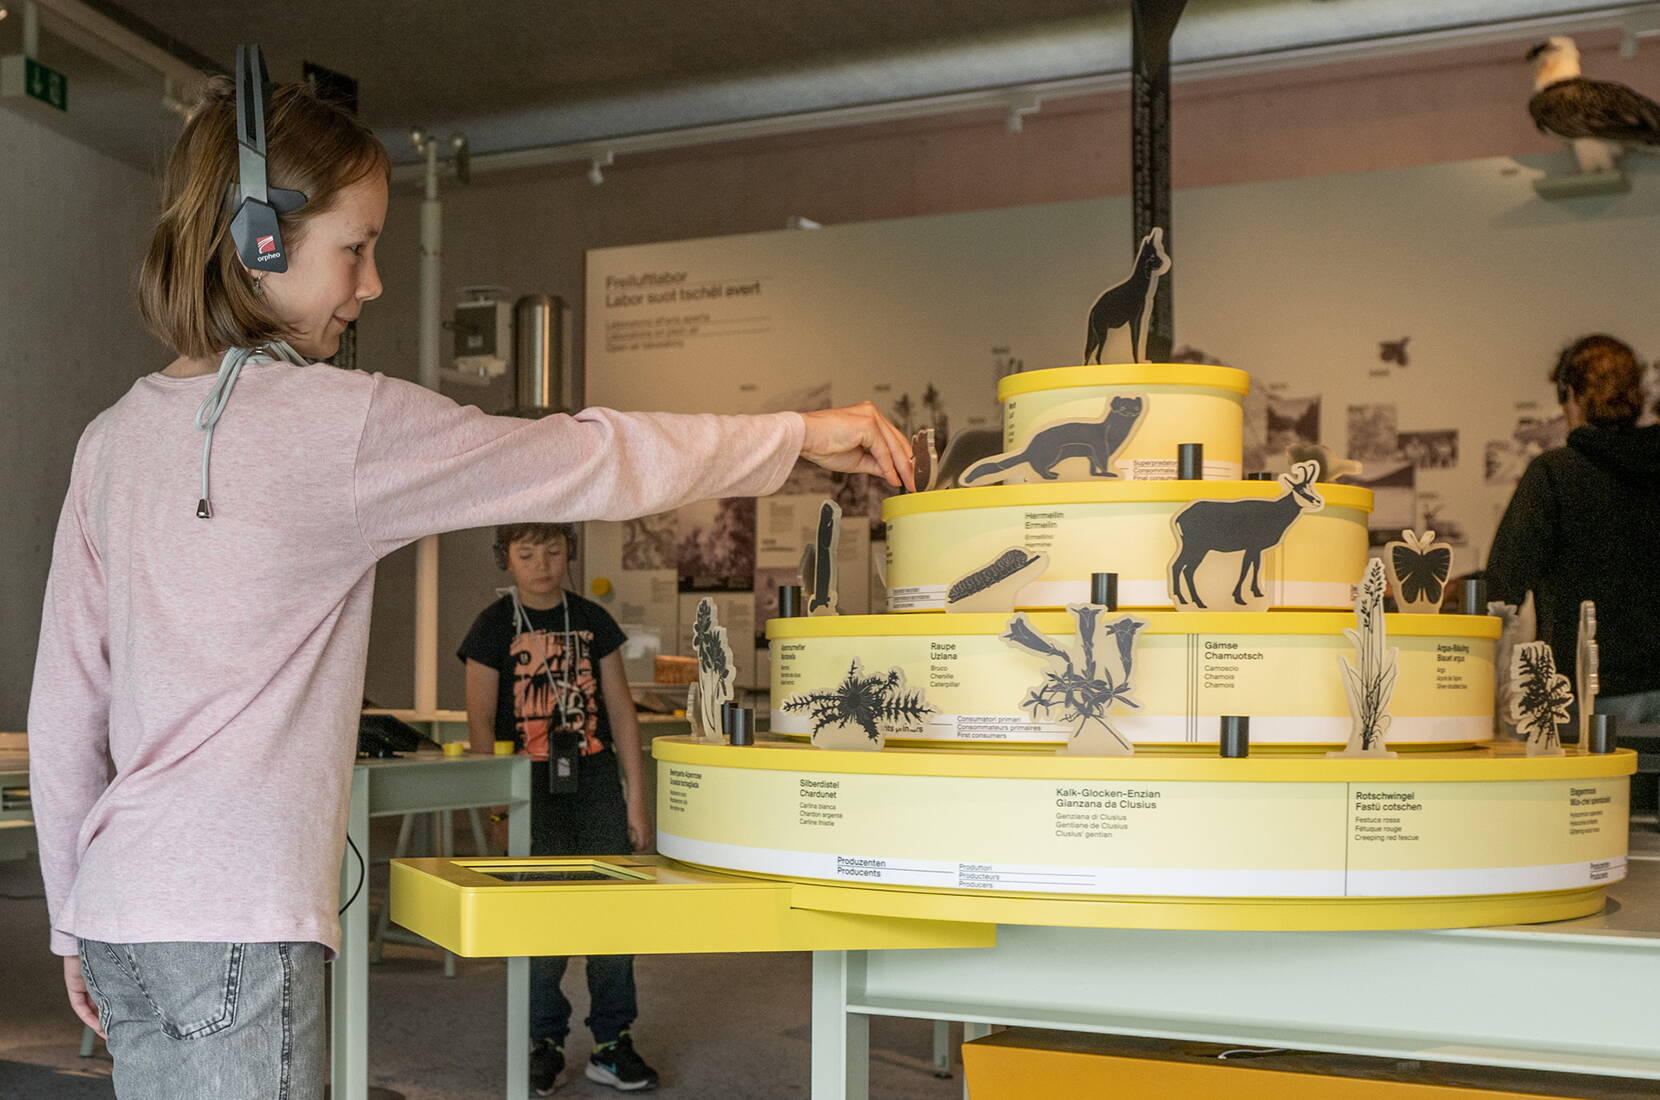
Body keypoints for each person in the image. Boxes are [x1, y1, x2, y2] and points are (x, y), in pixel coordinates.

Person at [26, 72, 912, 1100]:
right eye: (354, 249)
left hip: (116, 907)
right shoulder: (334, 424)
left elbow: (65, 706)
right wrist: (800, 433)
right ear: (260, 244)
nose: (372, 284)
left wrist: (65, 914)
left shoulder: (108, 441)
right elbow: (588, 457)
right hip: (236, 917)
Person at [458, 523, 655, 1093]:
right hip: (527, 787)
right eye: (526, 553)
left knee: (611, 917)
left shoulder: (593, 622)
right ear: (507, 560)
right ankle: (542, 1040)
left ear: (569, 553)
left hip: (594, 784)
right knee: (540, 922)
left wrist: (635, 803)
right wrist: (497, 811)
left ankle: (611, 1041)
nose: (541, 563)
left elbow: (622, 716)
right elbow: (478, 726)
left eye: (552, 550)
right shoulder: (492, 627)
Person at [1487, 335, 1660, 723]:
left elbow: (1505, 583)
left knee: (1591, 787)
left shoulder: (1556, 473)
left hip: (1589, 691)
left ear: (1572, 396)